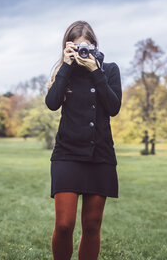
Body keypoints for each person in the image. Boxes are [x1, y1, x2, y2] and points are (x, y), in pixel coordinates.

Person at [45, 20, 122, 260]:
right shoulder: (64, 72)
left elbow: (113, 107)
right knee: (64, 224)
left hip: (100, 155)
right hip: (67, 154)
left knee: (91, 226)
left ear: (95, 46)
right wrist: (67, 66)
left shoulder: (109, 70)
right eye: (76, 47)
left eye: (86, 46)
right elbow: (52, 103)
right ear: (67, 48)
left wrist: (94, 70)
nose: (82, 52)